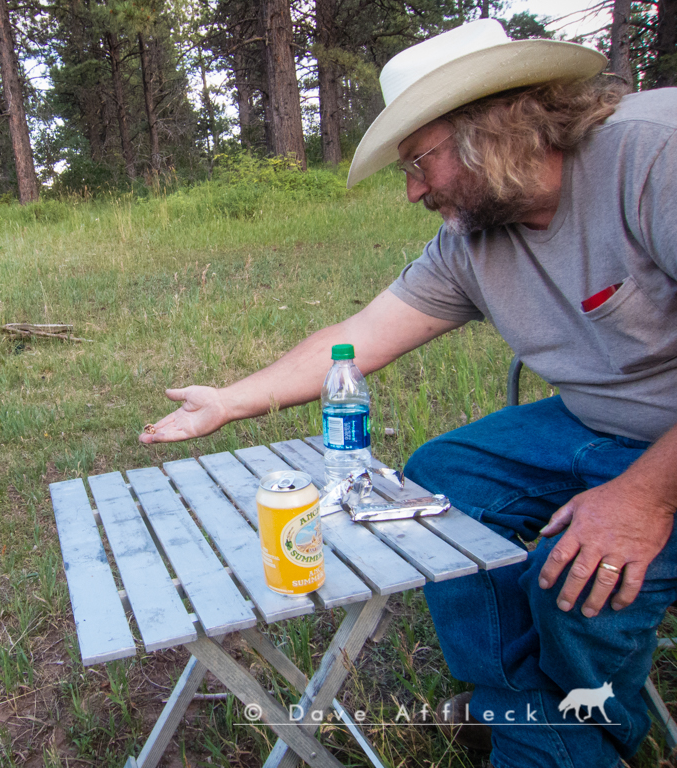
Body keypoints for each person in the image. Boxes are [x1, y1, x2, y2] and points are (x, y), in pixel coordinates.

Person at [139, 18, 677, 768]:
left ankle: (565, 746)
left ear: (493, 128)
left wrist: (644, 499)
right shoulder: (473, 237)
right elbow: (364, 332)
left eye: (419, 161)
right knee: (441, 479)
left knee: (577, 573)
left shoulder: (655, 157)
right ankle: (518, 708)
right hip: (596, 425)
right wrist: (229, 400)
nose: (414, 190)